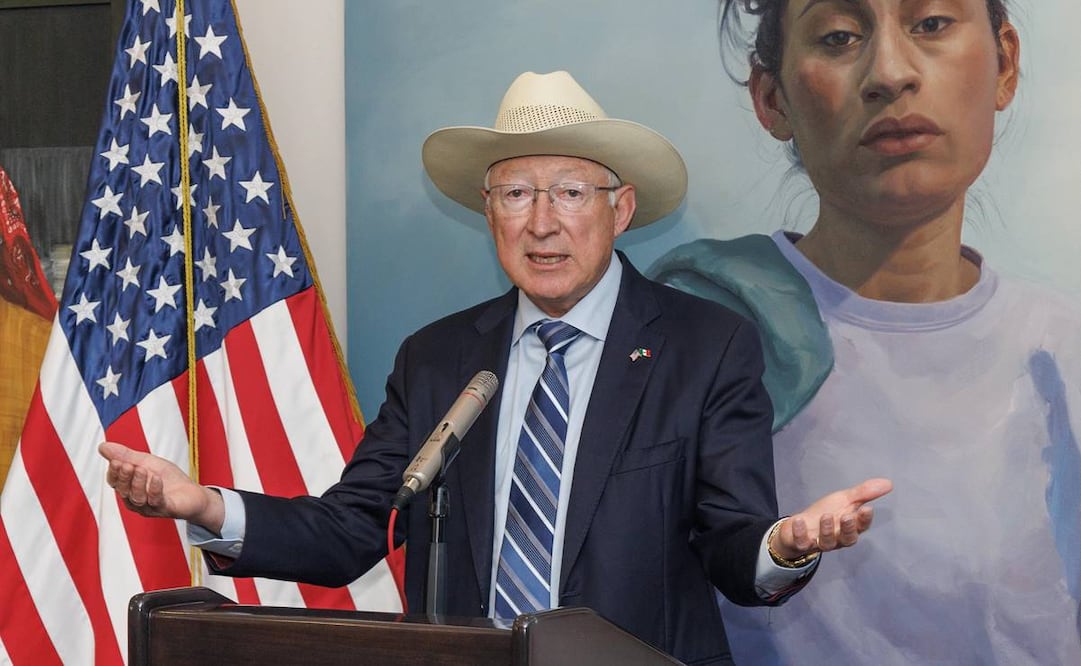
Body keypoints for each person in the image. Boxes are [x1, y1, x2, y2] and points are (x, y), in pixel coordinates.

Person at [100, 70, 891, 665]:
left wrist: (785, 545)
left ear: (619, 210)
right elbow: (351, 531)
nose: (541, 222)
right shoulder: (440, 357)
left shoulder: (703, 344)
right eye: (515, 192)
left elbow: (730, 544)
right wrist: (204, 505)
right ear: (487, 213)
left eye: (570, 192)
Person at [649, 1, 1081, 663]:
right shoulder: (698, 325)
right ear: (771, 98)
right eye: (839, 36)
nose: (888, 72)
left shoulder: (1062, 349)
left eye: (931, 23)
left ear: (1005, 64)